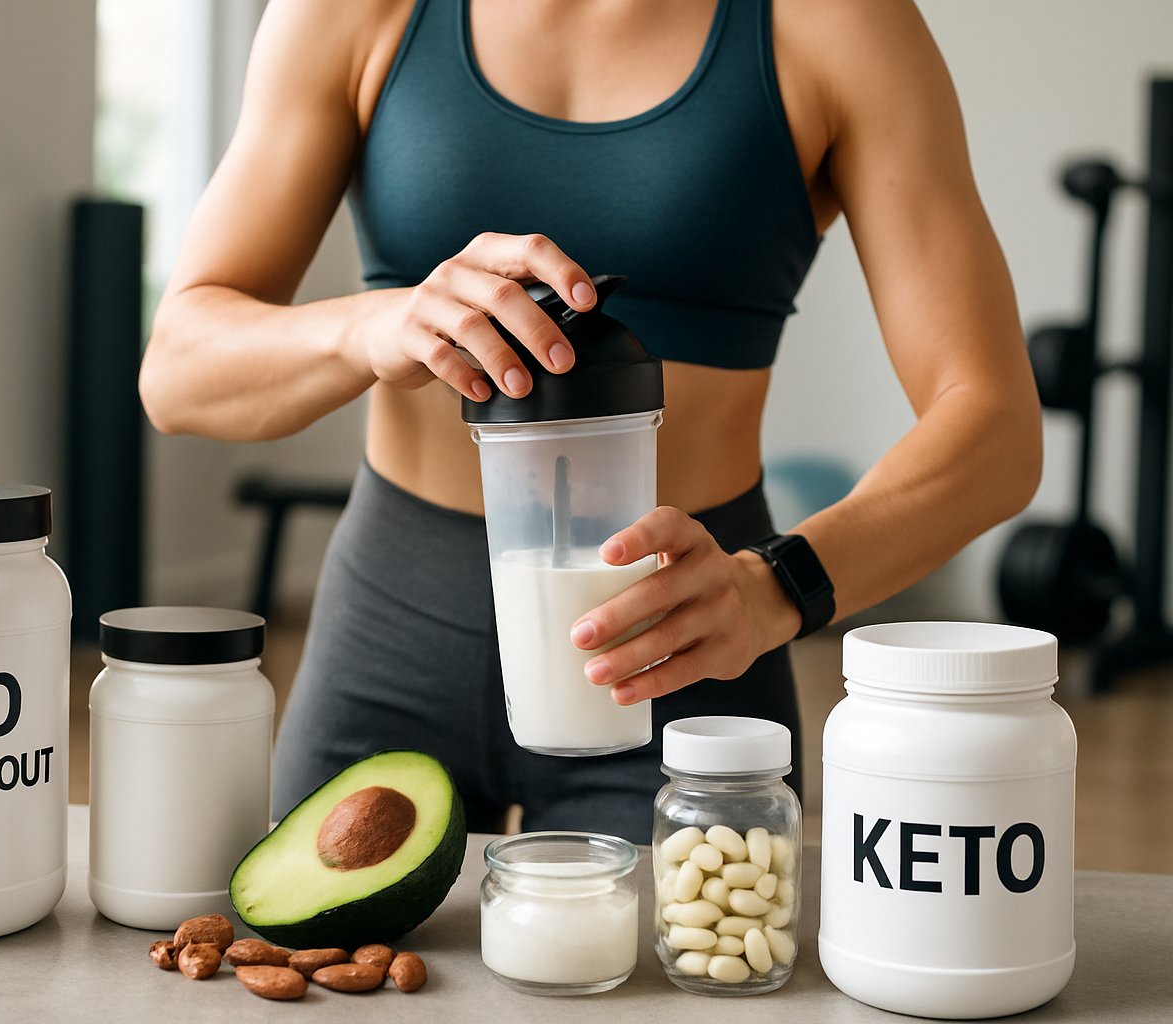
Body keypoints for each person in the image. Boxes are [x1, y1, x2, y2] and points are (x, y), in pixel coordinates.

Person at [138, 0, 1042, 843]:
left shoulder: (838, 23)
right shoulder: (353, 12)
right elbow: (178, 372)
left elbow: (996, 427)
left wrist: (776, 586)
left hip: (685, 654)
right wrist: (372, 324)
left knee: (689, 965)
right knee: (321, 958)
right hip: (392, 634)